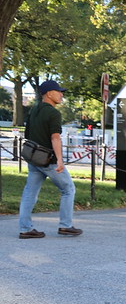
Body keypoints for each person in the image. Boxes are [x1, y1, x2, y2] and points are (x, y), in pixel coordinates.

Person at [18, 80, 82, 239]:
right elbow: (55, 138)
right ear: (48, 93)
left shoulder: (34, 110)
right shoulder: (54, 113)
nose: (61, 94)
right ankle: (65, 226)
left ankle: (25, 229)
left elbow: (27, 134)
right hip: (48, 160)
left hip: (33, 158)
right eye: (58, 91)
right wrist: (60, 160)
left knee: (29, 193)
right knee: (68, 189)